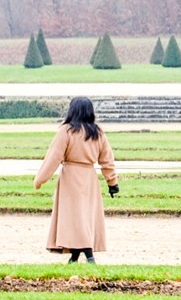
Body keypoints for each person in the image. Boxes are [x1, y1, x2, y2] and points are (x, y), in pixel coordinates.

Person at [34, 96, 120, 263]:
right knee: (84, 216)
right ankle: (74, 257)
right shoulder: (97, 132)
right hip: (89, 178)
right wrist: (112, 182)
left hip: (70, 177)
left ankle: (89, 256)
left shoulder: (66, 131)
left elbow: (53, 158)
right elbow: (107, 160)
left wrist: (40, 180)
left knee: (74, 217)